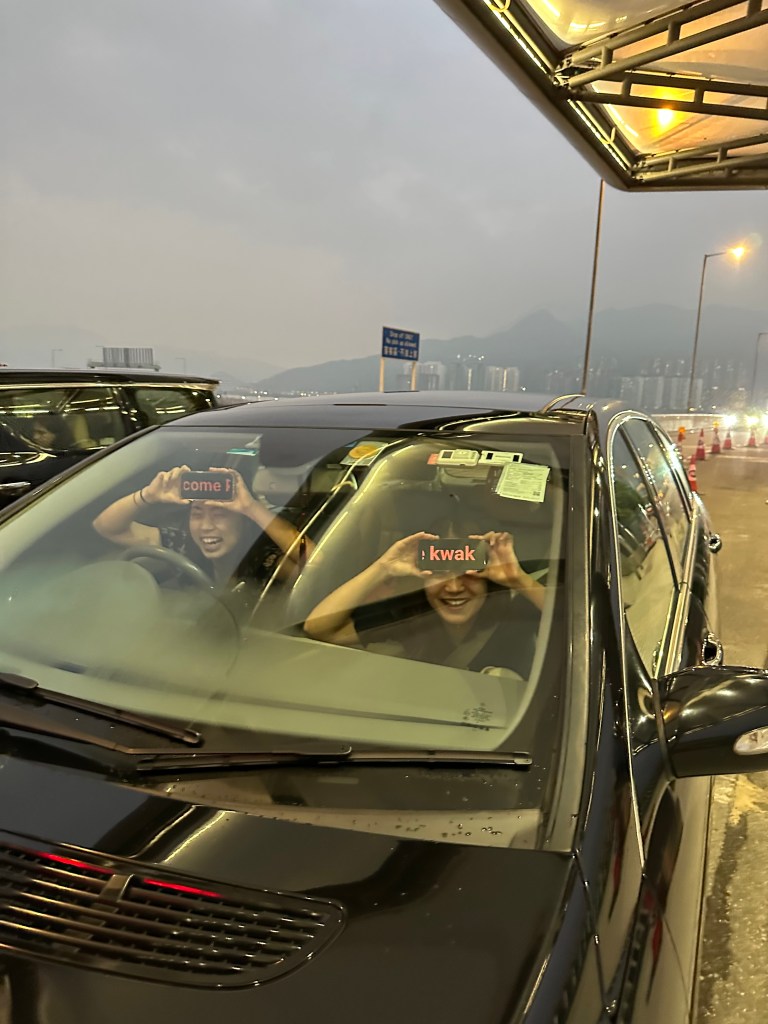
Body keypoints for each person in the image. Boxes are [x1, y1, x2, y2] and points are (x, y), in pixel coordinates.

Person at [303, 517, 546, 676]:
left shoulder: (517, 613)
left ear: (487, 576)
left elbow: (570, 622)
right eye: (439, 572)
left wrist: (517, 578)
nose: (453, 587)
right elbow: (321, 629)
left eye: (467, 572)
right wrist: (383, 567)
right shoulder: (410, 614)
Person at [93, 464, 312, 589]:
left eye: (219, 514)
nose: (206, 526)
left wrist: (251, 507)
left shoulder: (267, 561)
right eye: (197, 513)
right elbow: (106, 527)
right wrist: (148, 496)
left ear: (244, 521)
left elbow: (317, 564)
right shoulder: (184, 545)